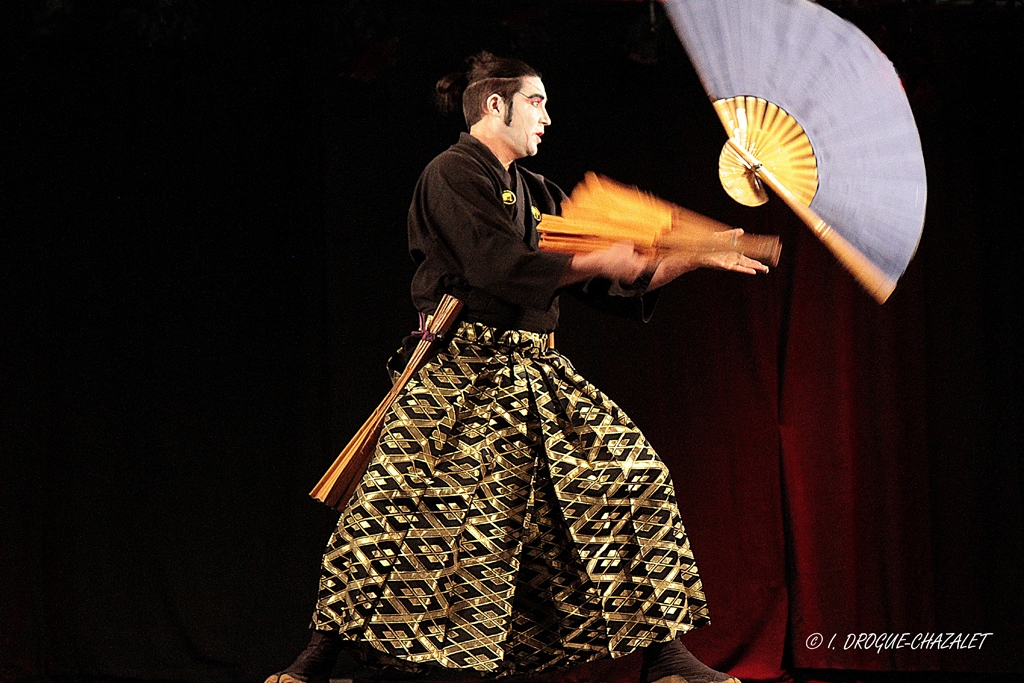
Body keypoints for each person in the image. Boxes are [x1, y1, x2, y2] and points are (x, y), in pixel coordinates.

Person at [268, 52, 766, 683]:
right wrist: (599, 259)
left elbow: (618, 282)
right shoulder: (451, 174)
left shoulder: (538, 193)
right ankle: (318, 657)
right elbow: (496, 266)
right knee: (392, 509)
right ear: (494, 105)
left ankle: (666, 658)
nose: (548, 119)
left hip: (536, 370)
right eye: (537, 102)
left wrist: (701, 252)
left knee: (630, 478)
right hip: (461, 371)